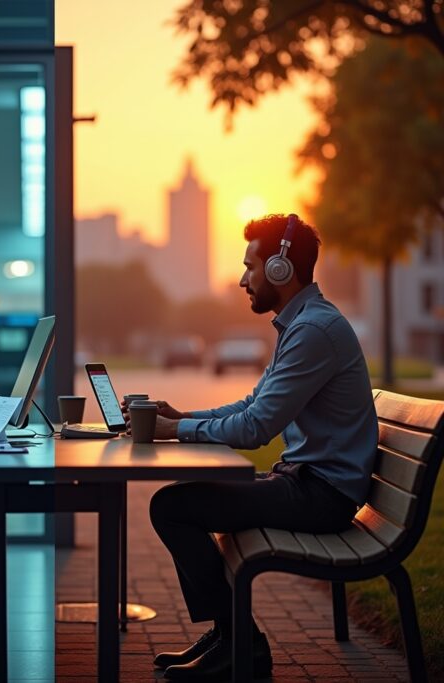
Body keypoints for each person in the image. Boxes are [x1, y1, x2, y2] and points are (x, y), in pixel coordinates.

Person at [145, 214, 377, 681]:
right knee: (179, 501)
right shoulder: (302, 325)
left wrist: (173, 432)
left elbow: (255, 428)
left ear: (279, 269)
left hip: (321, 496)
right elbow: (253, 404)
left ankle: (240, 643)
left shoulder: (313, 331)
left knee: (172, 505)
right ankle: (231, 635)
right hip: (307, 483)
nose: (241, 279)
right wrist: (183, 418)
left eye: (250, 267)